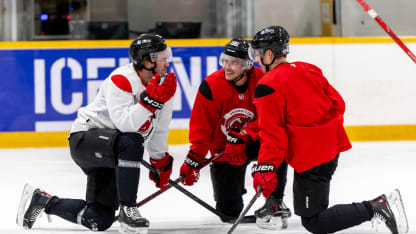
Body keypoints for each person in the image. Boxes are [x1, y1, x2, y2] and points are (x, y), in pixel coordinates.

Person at [249, 25, 408, 234]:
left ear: (269, 54)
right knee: (313, 213)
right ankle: (375, 207)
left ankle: (376, 207)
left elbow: (272, 135)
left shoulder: (267, 86)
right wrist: (319, 129)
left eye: (258, 54)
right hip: (330, 149)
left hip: (311, 157)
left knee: (315, 221)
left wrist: (267, 168)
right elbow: (338, 104)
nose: (256, 60)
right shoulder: (308, 68)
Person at [16, 34, 178, 234]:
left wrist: (159, 159)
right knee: (132, 140)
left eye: (167, 56)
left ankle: (44, 201)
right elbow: (126, 125)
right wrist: (150, 101)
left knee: (99, 219)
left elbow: (160, 127)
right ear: (146, 61)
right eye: (162, 57)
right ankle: (128, 208)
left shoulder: (164, 85)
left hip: (112, 151)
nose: (167, 62)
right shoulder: (121, 80)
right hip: (85, 139)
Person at [178, 38, 291, 227]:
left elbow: (272, 119)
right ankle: (234, 194)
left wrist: (244, 135)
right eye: (225, 61)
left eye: (234, 63)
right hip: (225, 150)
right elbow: (202, 128)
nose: (227, 67)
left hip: (257, 141)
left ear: (247, 65)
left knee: (280, 143)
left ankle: (275, 200)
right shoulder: (211, 85)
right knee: (228, 212)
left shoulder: (264, 79)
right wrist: (194, 159)